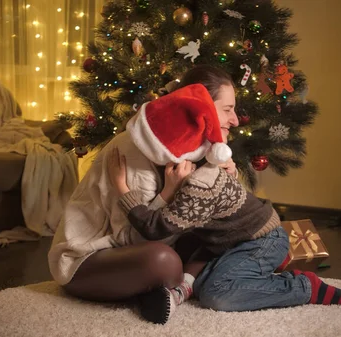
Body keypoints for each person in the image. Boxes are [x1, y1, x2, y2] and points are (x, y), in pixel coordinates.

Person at [107, 84, 341, 324]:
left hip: (262, 240)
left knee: (217, 294)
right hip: (229, 243)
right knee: (205, 283)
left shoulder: (201, 183)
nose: (232, 119)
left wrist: (121, 188)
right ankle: (244, 276)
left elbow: (155, 229)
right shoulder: (197, 170)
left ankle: (304, 286)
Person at [47, 65, 239, 317]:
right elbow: (133, 238)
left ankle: (169, 289)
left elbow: (214, 221)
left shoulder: (200, 149)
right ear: (200, 107)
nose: (235, 120)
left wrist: (227, 180)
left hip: (143, 246)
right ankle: (175, 284)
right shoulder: (136, 148)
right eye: (227, 110)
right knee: (164, 261)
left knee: (222, 238)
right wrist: (169, 191)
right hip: (88, 259)